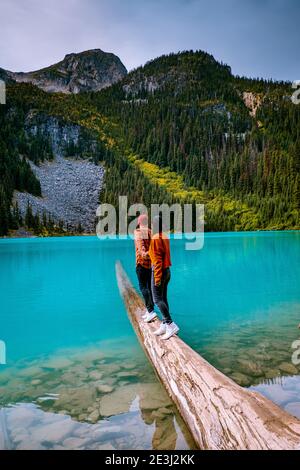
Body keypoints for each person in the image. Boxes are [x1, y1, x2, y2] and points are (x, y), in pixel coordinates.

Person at [147, 215, 179, 340]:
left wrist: (157, 277)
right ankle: (165, 324)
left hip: (159, 271)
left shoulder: (155, 238)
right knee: (163, 298)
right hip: (167, 271)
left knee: (156, 299)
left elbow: (158, 260)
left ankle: (171, 324)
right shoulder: (164, 236)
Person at [134, 214, 155, 321]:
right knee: (149, 287)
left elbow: (141, 250)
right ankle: (150, 309)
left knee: (143, 287)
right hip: (151, 264)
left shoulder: (138, 233)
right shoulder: (151, 232)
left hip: (141, 264)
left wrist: (144, 254)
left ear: (139, 222)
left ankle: (150, 311)